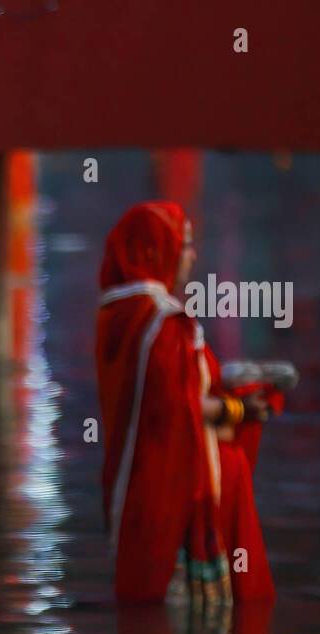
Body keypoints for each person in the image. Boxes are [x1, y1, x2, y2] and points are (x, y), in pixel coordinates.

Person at [95, 201, 275, 605]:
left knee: (148, 632)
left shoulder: (115, 314)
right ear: (156, 251)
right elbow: (182, 412)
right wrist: (240, 410)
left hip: (133, 496)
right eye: (184, 245)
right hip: (181, 501)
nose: (191, 256)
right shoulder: (165, 324)